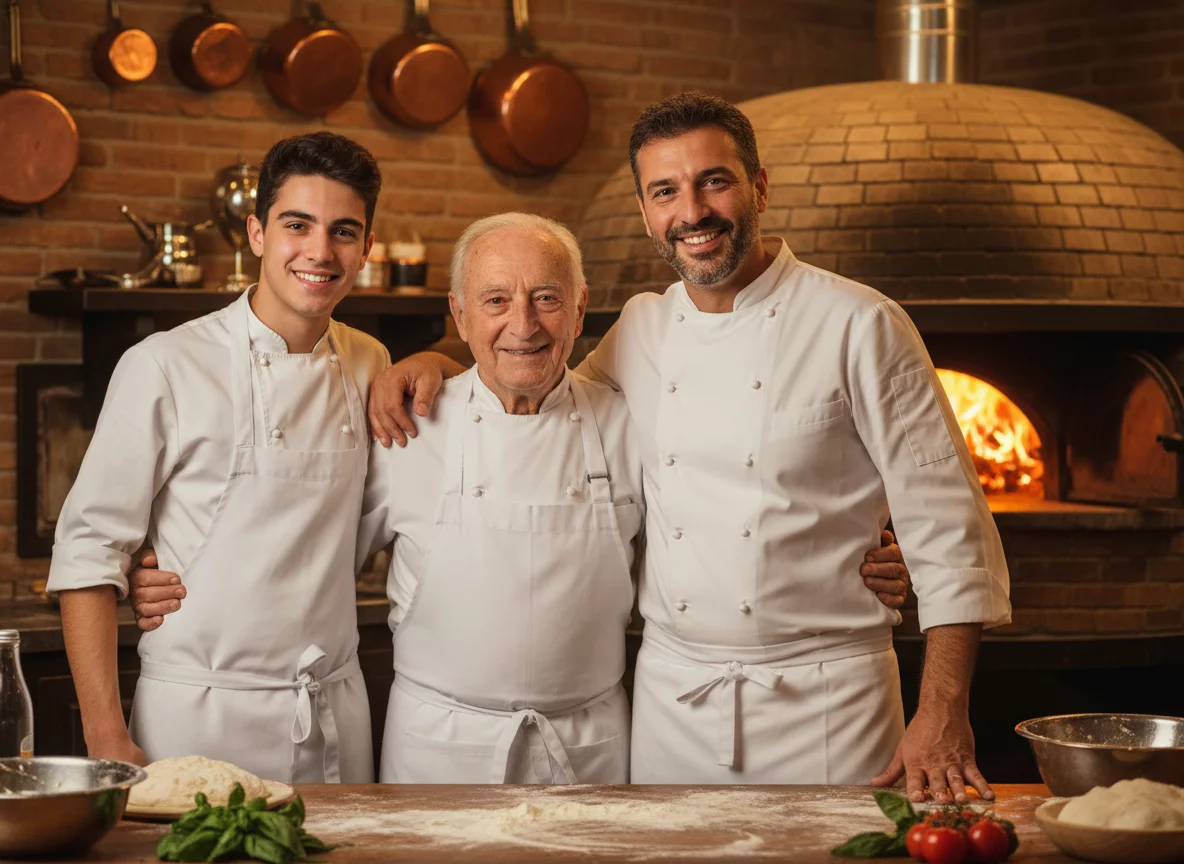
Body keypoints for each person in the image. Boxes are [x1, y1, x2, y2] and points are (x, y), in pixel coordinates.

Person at [366, 92, 1012, 803]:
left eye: (715, 181)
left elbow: (950, 529)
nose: (692, 211)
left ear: (759, 187)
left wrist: (944, 710)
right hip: (674, 704)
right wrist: (436, 359)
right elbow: (528, 376)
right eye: (666, 191)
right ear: (647, 212)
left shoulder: (860, 324)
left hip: (830, 697)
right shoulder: (642, 329)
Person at [128, 213, 912, 785]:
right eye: (496, 301)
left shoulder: (629, 415)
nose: (523, 326)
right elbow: (296, 543)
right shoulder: (405, 426)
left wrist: (861, 548)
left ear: (580, 309)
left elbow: (736, 505)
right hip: (434, 751)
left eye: (546, 299)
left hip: (598, 748)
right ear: (459, 316)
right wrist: (172, 571)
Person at [46, 132, 390, 783]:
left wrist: (434, 358)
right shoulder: (164, 365)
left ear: (367, 247)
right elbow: (88, 550)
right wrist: (104, 735)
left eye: (344, 231)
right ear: (257, 233)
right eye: (298, 225)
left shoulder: (372, 361)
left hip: (333, 715)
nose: (321, 251)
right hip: (197, 717)